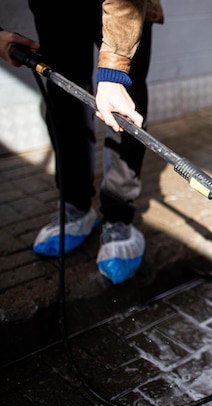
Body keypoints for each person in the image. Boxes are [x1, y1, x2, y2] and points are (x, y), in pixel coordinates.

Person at [0, 0, 164, 284]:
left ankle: (118, 216)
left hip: (126, 9)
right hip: (57, 11)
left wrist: (115, 69)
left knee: (123, 110)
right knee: (64, 103)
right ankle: (75, 205)